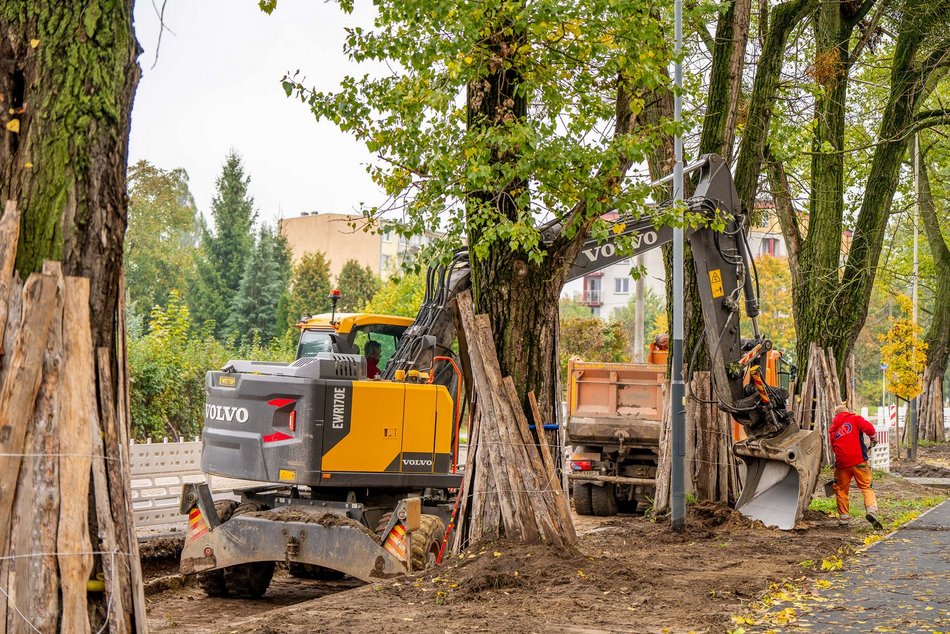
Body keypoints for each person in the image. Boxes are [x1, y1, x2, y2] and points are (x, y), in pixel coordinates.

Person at [829, 403, 883, 530]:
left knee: (841, 490)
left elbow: (833, 447)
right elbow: (869, 428)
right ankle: (871, 511)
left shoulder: (833, 429)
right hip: (859, 462)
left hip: (842, 464)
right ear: (847, 411)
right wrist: (873, 438)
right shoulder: (855, 418)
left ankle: (844, 521)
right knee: (866, 487)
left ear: (836, 415)